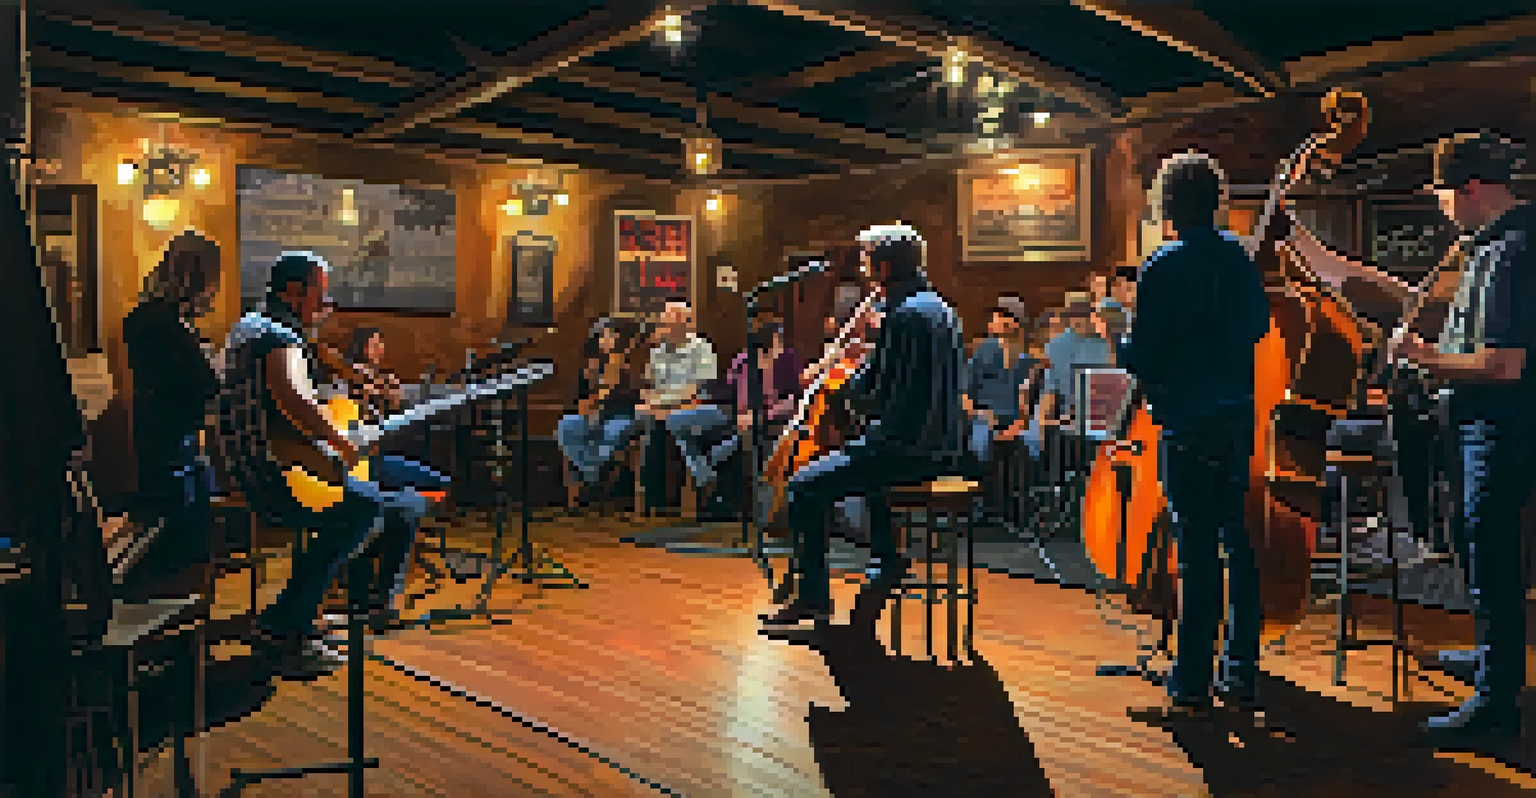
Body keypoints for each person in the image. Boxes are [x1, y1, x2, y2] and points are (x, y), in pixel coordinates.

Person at [1294, 131, 1533, 742]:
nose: (1441, 207)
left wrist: (1425, 358)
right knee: (1476, 551)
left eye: (1445, 195)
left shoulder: (1511, 250)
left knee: (1493, 556)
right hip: (1476, 423)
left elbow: (1505, 364)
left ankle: (1495, 704)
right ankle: (1489, 659)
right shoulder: (1484, 246)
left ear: (1471, 189)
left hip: (1498, 426)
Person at [215, 252, 430, 673]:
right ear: (295, 293)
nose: (324, 306)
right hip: (271, 476)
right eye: (320, 294)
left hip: (243, 470)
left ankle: (304, 613)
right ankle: (285, 626)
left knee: (370, 503)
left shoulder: (247, 328)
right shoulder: (280, 338)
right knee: (365, 508)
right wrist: (340, 442)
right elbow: (293, 400)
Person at [1122, 151, 1272, 714]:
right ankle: (1241, 673)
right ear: (1217, 200)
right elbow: (1257, 325)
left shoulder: (1163, 263)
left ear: (1167, 203)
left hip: (1185, 422)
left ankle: (1189, 684)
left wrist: (1124, 340)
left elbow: (1144, 356)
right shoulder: (1237, 255)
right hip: (1235, 416)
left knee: (1196, 552)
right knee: (1238, 545)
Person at [762, 224, 966, 629]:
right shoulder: (940, 309)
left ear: (885, 267)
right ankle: (887, 557)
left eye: (866, 258)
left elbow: (871, 394)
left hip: (903, 449)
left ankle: (813, 600)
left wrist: (851, 367)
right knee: (860, 459)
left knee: (804, 486)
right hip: (944, 446)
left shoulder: (901, 316)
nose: (863, 266)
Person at [120, 231, 223, 597]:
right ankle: (174, 633)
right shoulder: (167, 323)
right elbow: (206, 383)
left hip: (160, 438)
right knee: (181, 548)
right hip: (173, 445)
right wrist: (214, 362)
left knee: (174, 540)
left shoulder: (146, 318)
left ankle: (174, 632)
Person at [639, 300, 725, 512]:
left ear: (684, 324)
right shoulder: (657, 352)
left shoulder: (702, 348)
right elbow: (650, 388)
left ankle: (680, 491)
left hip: (698, 407)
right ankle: (656, 499)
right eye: (662, 321)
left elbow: (697, 390)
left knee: (672, 422)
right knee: (649, 420)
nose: (661, 326)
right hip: (667, 409)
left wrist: (661, 402)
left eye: (667, 322)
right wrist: (655, 402)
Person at [558, 317, 643, 506]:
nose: (606, 339)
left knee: (615, 431)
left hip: (622, 416)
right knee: (566, 426)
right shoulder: (591, 367)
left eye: (611, 335)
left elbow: (636, 397)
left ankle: (590, 477)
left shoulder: (634, 365)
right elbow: (579, 399)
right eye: (603, 335)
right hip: (593, 416)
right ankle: (592, 474)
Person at [965, 295, 1036, 463]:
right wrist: (979, 413)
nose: (995, 320)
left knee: (1030, 443)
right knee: (980, 440)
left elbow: (1033, 399)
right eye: (996, 315)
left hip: (1018, 420)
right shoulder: (983, 352)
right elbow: (964, 393)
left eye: (1002, 315)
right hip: (984, 417)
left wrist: (1020, 422)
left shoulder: (1029, 360)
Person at [1038, 292, 1112, 427]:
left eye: (1082, 315)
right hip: (1067, 416)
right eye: (1073, 315)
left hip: (1099, 415)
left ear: (1090, 315)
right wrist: (1043, 423)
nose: (1078, 320)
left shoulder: (1106, 346)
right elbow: (1049, 389)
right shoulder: (1055, 346)